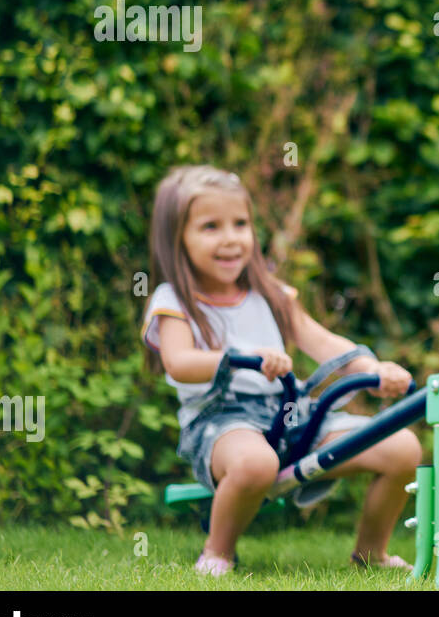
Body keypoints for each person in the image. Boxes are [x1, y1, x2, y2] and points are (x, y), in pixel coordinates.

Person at [142, 165, 421, 575]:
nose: (230, 238)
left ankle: (371, 553)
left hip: (292, 416)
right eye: (210, 227)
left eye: (240, 224)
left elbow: (322, 341)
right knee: (256, 463)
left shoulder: (270, 293)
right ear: (176, 238)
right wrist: (241, 356)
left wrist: (372, 368)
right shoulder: (174, 300)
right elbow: (178, 363)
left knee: (403, 448)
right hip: (222, 423)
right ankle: (218, 552)